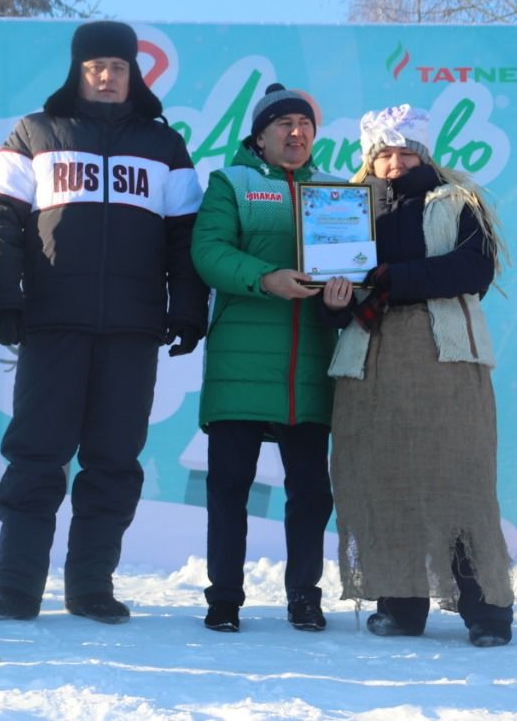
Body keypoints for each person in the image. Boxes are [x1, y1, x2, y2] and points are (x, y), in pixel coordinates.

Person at [0, 20, 209, 624]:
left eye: (119, 67)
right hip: (53, 323)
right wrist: (3, 296)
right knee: (35, 457)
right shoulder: (34, 133)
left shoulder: (165, 145)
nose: (107, 77)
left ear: (135, 73)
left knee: (113, 462)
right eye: (95, 66)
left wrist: (187, 305)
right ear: (77, 71)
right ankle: (16, 588)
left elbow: (186, 238)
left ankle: (91, 587)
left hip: (133, 329)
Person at [322, 104, 514, 648]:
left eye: (405, 151)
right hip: (371, 357)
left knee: (461, 483)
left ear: (425, 154)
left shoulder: (458, 201)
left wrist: (392, 278)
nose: (395, 162)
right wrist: (334, 302)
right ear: (370, 157)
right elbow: (332, 294)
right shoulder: (344, 210)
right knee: (387, 482)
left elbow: (473, 270)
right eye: (384, 153)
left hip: (446, 357)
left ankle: (487, 611)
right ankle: (401, 606)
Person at [190, 84, 337, 634]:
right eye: (283, 124)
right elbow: (208, 252)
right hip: (240, 364)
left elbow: (357, 262)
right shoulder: (234, 183)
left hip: (311, 366)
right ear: (260, 136)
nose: (295, 132)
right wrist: (265, 279)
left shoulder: (336, 189)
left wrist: (349, 290)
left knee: (310, 493)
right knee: (229, 486)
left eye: (304, 123)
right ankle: (223, 597)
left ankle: (305, 595)